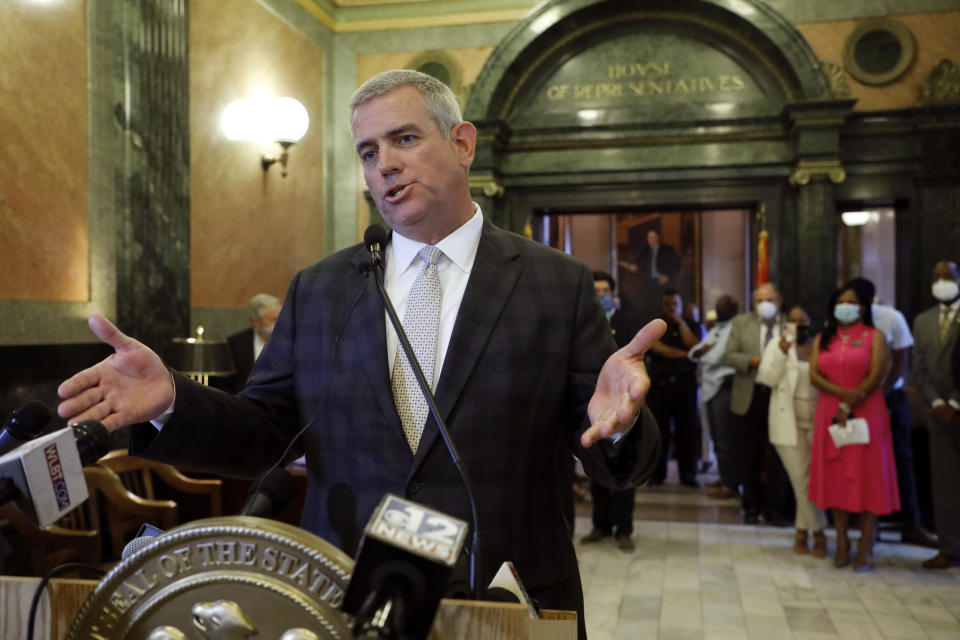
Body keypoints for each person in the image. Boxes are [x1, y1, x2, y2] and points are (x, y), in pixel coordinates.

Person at [56, 69, 663, 637]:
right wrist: (173, 400)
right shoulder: (321, 288)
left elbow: (616, 460)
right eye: (369, 153)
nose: (385, 165)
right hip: (343, 591)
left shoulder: (555, 283)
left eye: (404, 139)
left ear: (462, 144)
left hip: (502, 596)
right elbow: (266, 432)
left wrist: (622, 424)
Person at [809, 286, 899, 572]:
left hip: (866, 411)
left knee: (869, 476)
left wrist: (852, 398)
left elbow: (877, 375)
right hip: (831, 412)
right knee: (836, 477)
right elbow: (813, 373)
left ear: (862, 308)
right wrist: (841, 394)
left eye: (852, 302)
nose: (845, 306)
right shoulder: (824, 337)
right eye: (840, 302)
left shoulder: (875, 337)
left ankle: (865, 546)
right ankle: (843, 542)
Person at [843, 277, 936, 548]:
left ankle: (910, 522)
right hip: (854, 397)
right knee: (858, 460)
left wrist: (878, 394)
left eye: (854, 300)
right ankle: (864, 522)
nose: (849, 306)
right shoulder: (842, 321)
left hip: (889, 397)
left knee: (901, 457)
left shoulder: (891, 318)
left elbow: (901, 362)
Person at [755, 305, 828, 557]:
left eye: (803, 320)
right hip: (788, 422)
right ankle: (818, 532)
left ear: (810, 322)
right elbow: (766, 379)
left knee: (810, 480)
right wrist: (781, 353)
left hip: (819, 422)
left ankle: (801, 530)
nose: (798, 325)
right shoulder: (777, 345)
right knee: (801, 478)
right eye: (793, 321)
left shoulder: (821, 344)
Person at [580, 271, 641, 552]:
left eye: (604, 289)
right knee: (597, 468)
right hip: (591, 404)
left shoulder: (627, 321)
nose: (600, 294)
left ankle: (624, 529)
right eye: (596, 289)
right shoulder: (583, 320)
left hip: (624, 405)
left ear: (612, 293)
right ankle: (600, 526)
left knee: (623, 470)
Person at [722, 283, 791, 524]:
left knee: (778, 455)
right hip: (748, 397)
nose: (765, 305)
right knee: (748, 454)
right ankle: (751, 505)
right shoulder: (742, 323)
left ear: (779, 300)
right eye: (759, 301)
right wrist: (755, 361)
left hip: (779, 397)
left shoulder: (789, 323)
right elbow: (728, 355)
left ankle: (776, 507)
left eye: (769, 300)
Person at [911, 260, 960, 569]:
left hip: (956, 407)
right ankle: (950, 546)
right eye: (937, 276)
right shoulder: (923, 321)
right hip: (936, 412)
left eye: (948, 276)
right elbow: (919, 368)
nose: (942, 281)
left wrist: (954, 404)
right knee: (945, 484)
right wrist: (937, 403)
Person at [646, 289, 703, 487]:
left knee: (687, 432)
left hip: (685, 386)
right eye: (668, 304)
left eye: (675, 304)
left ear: (680, 305)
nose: (671, 307)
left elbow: (695, 347)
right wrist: (685, 354)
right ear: (663, 305)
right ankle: (657, 475)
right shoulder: (656, 325)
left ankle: (688, 475)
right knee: (658, 432)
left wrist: (681, 323)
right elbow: (658, 349)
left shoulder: (691, 324)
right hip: (660, 386)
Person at [689, 296, 740, 500]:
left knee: (726, 439)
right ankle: (724, 477)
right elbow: (694, 352)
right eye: (718, 307)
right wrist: (702, 351)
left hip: (723, 386)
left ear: (733, 310)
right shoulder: (717, 329)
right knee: (717, 438)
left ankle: (731, 484)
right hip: (709, 387)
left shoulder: (735, 329)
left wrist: (703, 352)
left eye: (724, 307)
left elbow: (714, 356)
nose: (720, 310)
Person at [217, 293, 282, 394]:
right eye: (273, 319)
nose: (279, 323)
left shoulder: (292, 340)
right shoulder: (235, 344)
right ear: (256, 321)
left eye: (281, 318)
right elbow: (225, 382)